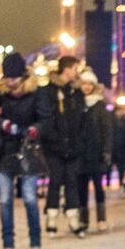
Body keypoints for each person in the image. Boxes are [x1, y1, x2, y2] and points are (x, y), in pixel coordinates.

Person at [0, 53, 45, 249]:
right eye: (7, 77)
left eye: (14, 77)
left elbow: (46, 118)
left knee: (30, 198)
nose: (10, 82)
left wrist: (35, 130)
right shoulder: (0, 96)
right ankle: (8, 246)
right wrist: (1, 124)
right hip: (4, 151)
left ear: (23, 76)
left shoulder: (36, 95)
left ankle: (35, 244)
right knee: (5, 201)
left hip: (27, 150)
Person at [38, 56, 87, 237]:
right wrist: (52, 139)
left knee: (72, 181)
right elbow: (46, 119)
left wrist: (79, 141)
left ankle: (73, 218)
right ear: (67, 69)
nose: (77, 74)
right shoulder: (48, 91)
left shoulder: (76, 93)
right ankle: (51, 217)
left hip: (74, 146)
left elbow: (82, 120)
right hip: (54, 147)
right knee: (56, 180)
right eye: (76, 69)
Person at [76, 68, 112, 232]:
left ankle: (101, 218)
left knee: (98, 186)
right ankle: (83, 220)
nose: (86, 87)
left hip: (96, 153)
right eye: (84, 84)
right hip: (81, 153)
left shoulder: (99, 105)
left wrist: (106, 150)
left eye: (89, 84)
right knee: (81, 188)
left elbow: (106, 129)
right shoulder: (77, 103)